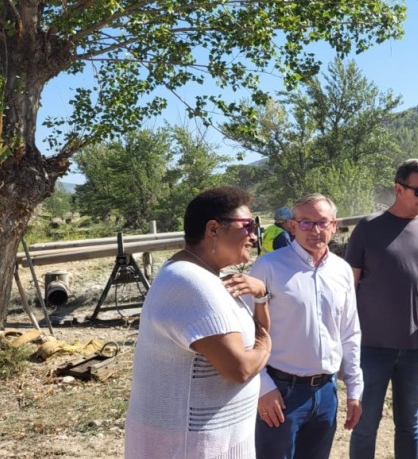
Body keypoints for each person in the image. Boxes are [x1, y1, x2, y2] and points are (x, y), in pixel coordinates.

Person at [125, 186, 272, 458]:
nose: (254, 235)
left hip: (212, 443)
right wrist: (265, 346)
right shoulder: (190, 282)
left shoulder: (206, 277)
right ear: (213, 229)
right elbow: (238, 368)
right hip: (190, 447)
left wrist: (262, 296)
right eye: (247, 225)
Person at [346, 158, 418, 459]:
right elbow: (347, 292)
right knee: (365, 423)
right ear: (399, 189)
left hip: (415, 349)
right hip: (371, 348)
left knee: (408, 423)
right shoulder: (368, 229)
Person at [251, 194, 362, 459]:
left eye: (322, 223)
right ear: (292, 226)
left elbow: (349, 332)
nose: (315, 231)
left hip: (326, 393)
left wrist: (355, 389)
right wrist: (263, 388)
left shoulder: (342, 270)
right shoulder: (268, 267)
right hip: (281, 393)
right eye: (305, 223)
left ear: (334, 226)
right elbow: (247, 331)